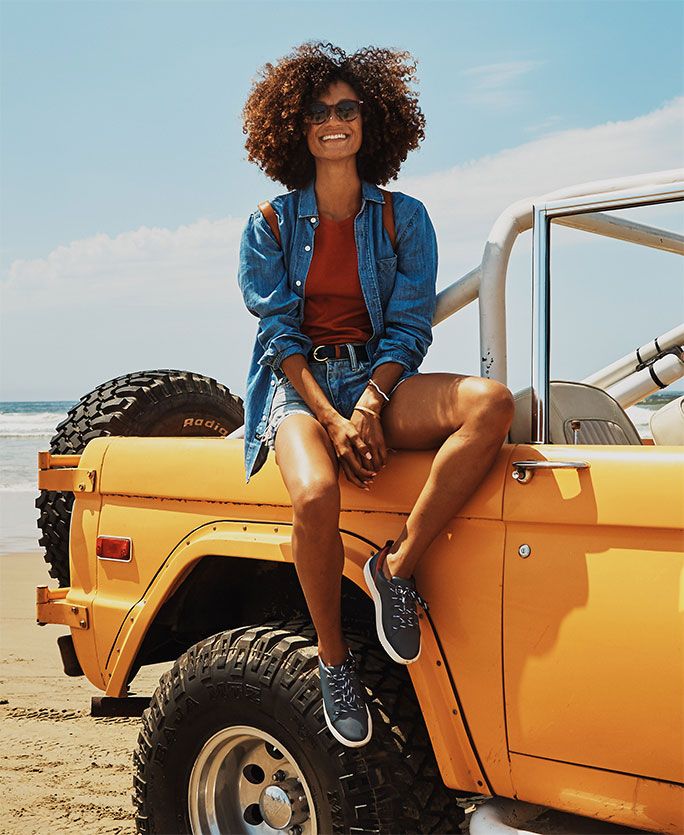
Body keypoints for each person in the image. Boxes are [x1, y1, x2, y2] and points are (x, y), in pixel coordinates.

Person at [238, 42, 514, 748]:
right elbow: (280, 339)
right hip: (299, 392)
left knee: (492, 405)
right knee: (313, 496)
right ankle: (334, 660)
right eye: (318, 110)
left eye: (347, 108)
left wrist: (367, 404)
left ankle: (395, 565)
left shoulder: (403, 217)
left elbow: (408, 328)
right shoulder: (267, 224)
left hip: (378, 381)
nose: (334, 121)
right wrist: (333, 417)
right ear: (294, 127)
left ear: (371, 118)